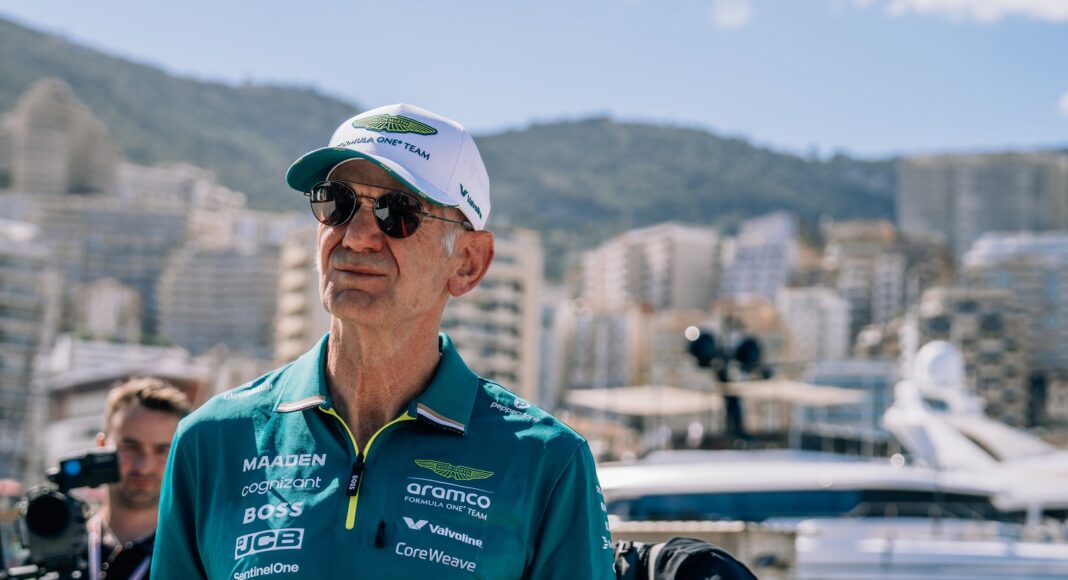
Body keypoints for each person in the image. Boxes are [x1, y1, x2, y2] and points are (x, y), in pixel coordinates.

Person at [153, 104, 615, 579]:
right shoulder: (211, 441)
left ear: (469, 263)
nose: (356, 237)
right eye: (337, 202)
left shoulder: (547, 463)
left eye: (397, 212)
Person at [91, 377, 190, 580]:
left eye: (162, 450)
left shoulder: (192, 559)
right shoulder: (52, 546)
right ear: (102, 447)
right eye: (130, 447)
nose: (144, 467)